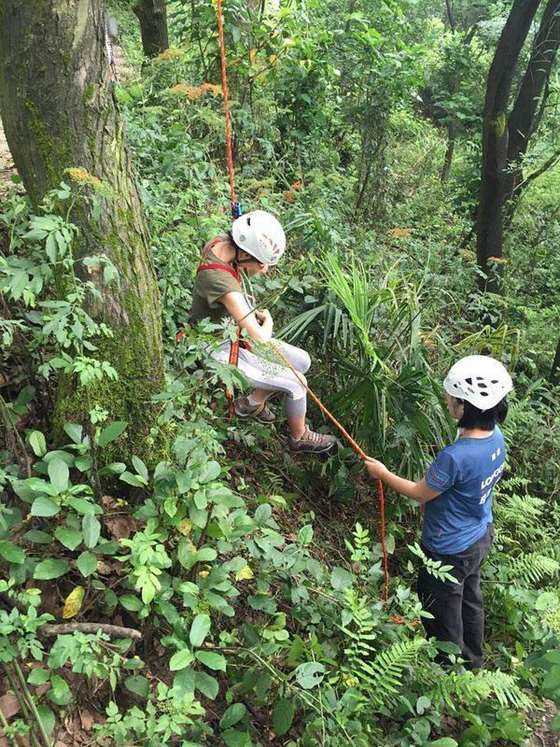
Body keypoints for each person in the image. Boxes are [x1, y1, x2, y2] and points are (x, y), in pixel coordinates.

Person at [364, 355, 513, 669]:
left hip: (448, 548)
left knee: (442, 611)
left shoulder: (455, 457)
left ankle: (448, 673)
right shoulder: (496, 437)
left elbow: (420, 493)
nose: (446, 401)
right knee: (470, 601)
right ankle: (473, 662)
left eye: (451, 398)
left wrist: (383, 473)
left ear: (464, 407)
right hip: (479, 535)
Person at [188, 209, 336, 455]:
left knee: (302, 361)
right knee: (298, 383)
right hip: (214, 347)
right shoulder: (221, 282)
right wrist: (267, 322)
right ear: (244, 253)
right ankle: (299, 437)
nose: (265, 269)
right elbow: (261, 338)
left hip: (231, 334)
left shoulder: (220, 244)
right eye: (262, 262)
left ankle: (250, 404)